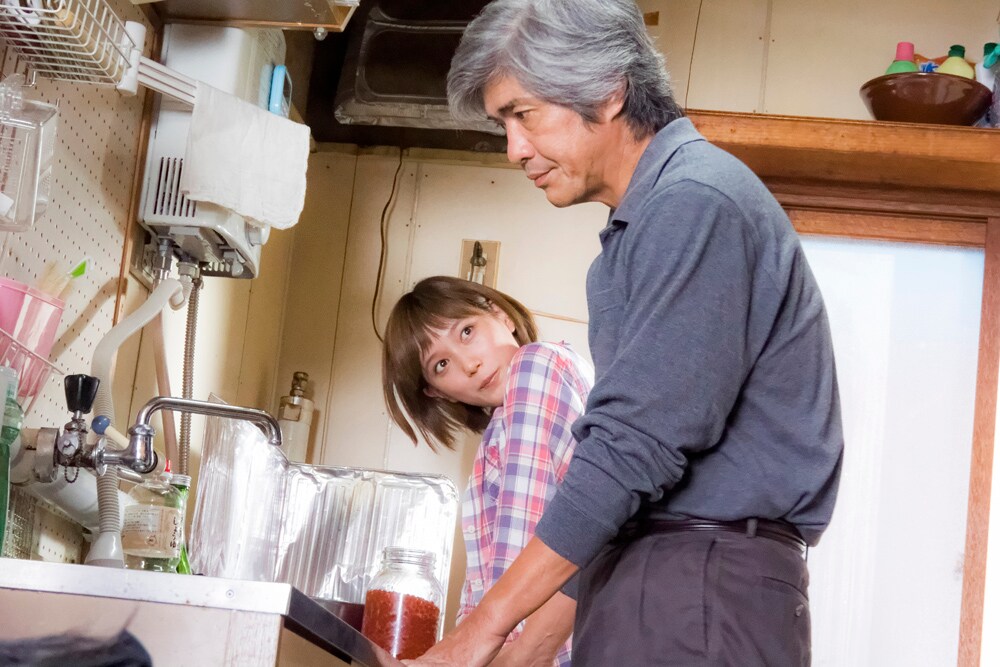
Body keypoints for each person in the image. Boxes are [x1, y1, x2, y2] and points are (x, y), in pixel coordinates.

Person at [408, 0, 845, 665]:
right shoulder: (628, 242)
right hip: (657, 583)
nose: (514, 149)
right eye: (504, 125)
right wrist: (514, 655)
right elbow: (627, 493)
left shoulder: (695, 203)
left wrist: (479, 629)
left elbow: (632, 448)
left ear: (609, 92)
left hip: (700, 589)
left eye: (524, 115)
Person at [382, 276, 594, 666]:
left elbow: (523, 535)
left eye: (466, 331)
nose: (470, 364)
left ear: (500, 315)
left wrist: (477, 651)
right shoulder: (502, 427)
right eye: (441, 365)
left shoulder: (537, 366)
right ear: (437, 392)